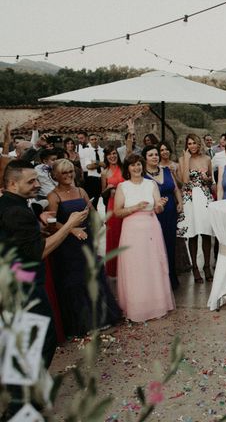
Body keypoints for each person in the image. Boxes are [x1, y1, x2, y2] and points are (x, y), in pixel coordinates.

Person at [0, 160, 88, 367]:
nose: (37, 185)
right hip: (23, 282)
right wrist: (69, 226)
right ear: (13, 184)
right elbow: (37, 252)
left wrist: (37, 226)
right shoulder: (16, 212)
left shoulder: (10, 204)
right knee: (43, 338)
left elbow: (16, 239)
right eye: (31, 182)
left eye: (37, 180)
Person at [47, 159, 121, 337]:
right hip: (67, 244)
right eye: (64, 173)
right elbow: (50, 224)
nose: (68, 176)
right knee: (76, 280)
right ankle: (82, 323)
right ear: (55, 175)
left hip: (86, 239)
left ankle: (100, 318)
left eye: (71, 172)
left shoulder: (81, 191)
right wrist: (71, 229)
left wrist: (98, 222)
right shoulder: (53, 196)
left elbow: (91, 210)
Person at [114, 154, 175, 322]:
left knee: (152, 264)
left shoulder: (151, 184)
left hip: (151, 227)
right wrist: (135, 207)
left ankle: (156, 304)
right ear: (127, 168)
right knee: (135, 267)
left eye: (139, 164)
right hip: (132, 230)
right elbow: (118, 212)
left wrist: (160, 205)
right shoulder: (122, 187)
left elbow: (157, 208)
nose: (137, 168)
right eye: (133, 165)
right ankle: (137, 307)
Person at [144, 145, 182, 290]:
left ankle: (172, 278)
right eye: (151, 155)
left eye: (156, 154)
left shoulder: (167, 170)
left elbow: (175, 189)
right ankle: (158, 280)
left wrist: (180, 203)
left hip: (171, 211)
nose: (154, 157)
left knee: (170, 244)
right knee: (157, 246)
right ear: (145, 158)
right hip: (154, 214)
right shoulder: (143, 175)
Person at [177, 134, 214, 283]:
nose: (192, 146)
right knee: (192, 234)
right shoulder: (182, 160)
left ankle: (206, 266)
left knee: (206, 233)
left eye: (195, 143)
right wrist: (186, 160)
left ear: (199, 144)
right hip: (190, 198)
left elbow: (211, 180)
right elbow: (185, 181)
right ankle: (195, 268)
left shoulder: (207, 159)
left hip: (204, 197)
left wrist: (208, 179)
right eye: (189, 143)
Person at [101, 145, 125, 278]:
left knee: (126, 235)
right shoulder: (104, 173)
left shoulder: (123, 168)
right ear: (106, 157)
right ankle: (114, 269)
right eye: (109, 154)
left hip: (125, 204)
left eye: (114, 153)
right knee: (114, 236)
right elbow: (102, 193)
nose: (112, 156)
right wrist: (108, 188)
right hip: (112, 205)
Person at [80, 133, 105, 208]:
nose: (94, 141)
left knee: (103, 201)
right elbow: (89, 167)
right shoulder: (86, 151)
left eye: (95, 139)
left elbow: (106, 165)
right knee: (93, 202)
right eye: (92, 139)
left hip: (103, 178)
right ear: (89, 141)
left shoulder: (103, 151)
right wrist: (101, 163)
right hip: (92, 179)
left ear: (98, 140)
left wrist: (96, 162)